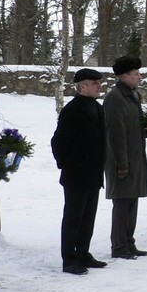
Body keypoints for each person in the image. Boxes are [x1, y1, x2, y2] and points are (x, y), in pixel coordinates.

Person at [51, 68, 108, 275]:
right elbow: (58, 143)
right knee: (74, 218)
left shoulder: (98, 108)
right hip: (76, 174)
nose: (99, 86)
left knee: (88, 217)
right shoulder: (72, 110)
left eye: (99, 83)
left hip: (94, 173)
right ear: (83, 86)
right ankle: (69, 259)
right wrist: (67, 164)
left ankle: (83, 252)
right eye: (95, 83)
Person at [103, 56, 147, 259]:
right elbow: (115, 133)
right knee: (122, 203)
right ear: (124, 76)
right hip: (121, 160)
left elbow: (137, 126)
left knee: (132, 201)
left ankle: (128, 241)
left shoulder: (133, 95)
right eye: (135, 74)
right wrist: (122, 163)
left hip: (134, 156)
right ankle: (119, 245)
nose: (139, 77)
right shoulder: (115, 98)